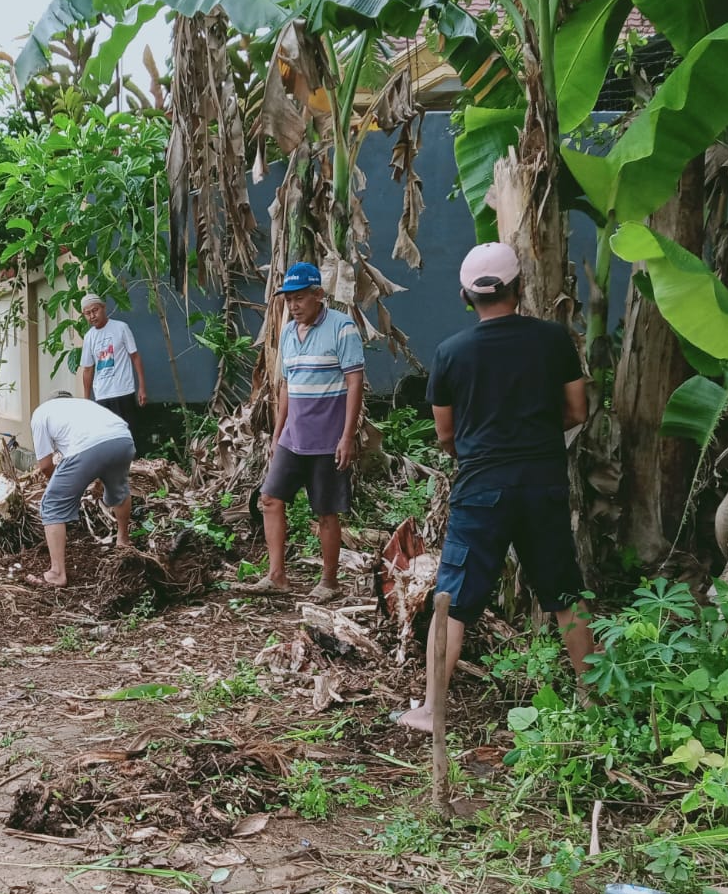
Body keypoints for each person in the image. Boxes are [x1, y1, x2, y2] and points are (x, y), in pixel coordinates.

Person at [396, 241, 596, 733]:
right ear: (518, 286)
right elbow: (577, 411)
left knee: (454, 598)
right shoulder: (554, 340)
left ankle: (430, 710)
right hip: (542, 483)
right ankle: (595, 700)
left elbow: (446, 436)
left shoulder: (450, 353)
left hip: (481, 487)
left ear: (467, 296)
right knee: (565, 592)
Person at [249, 262, 365, 604]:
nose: (294, 306)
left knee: (325, 511)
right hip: (292, 437)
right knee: (270, 499)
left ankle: (329, 582)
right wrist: (277, 432)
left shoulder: (342, 328)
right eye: (289, 300)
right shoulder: (288, 332)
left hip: (328, 439)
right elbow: (286, 385)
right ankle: (277, 576)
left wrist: (347, 437)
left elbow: (355, 382)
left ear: (318, 295)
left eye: (300, 298)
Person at [27, 394, 136, 588]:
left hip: (90, 446)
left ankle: (57, 573)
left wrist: (61, 488)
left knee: (52, 504)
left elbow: (45, 465)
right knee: (119, 490)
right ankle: (123, 541)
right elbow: (100, 445)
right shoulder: (82, 406)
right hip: (123, 439)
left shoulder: (40, 414)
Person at [78, 294, 147, 428]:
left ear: (103, 307)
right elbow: (88, 369)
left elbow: (135, 357)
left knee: (128, 434)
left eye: (95, 310)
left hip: (124, 391)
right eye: (87, 313)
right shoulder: (89, 337)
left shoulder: (121, 328)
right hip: (102, 395)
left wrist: (142, 387)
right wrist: (86, 400)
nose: (92, 316)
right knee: (107, 437)